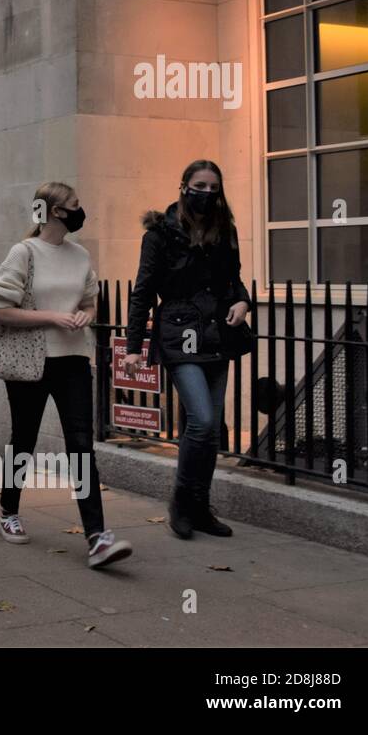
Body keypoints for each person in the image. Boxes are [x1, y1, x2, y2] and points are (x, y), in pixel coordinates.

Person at [0, 181, 133, 569]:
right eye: (74, 205)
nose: (80, 211)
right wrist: (52, 316)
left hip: (72, 361)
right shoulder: (24, 252)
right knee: (24, 438)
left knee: (82, 446)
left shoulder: (81, 255)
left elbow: (90, 300)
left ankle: (97, 537)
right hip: (31, 362)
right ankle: (8, 510)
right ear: (53, 212)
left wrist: (87, 313)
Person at [123, 160, 252, 540]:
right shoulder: (160, 234)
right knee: (202, 421)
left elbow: (235, 280)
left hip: (217, 333)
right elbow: (143, 292)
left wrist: (244, 302)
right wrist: (133, 348)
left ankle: (200, 506)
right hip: (179, 333)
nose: (207, 193)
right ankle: (181, 502)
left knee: (210, 431)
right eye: (200, 185)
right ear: (184, 186)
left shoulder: (225, 228)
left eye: (214, 187)